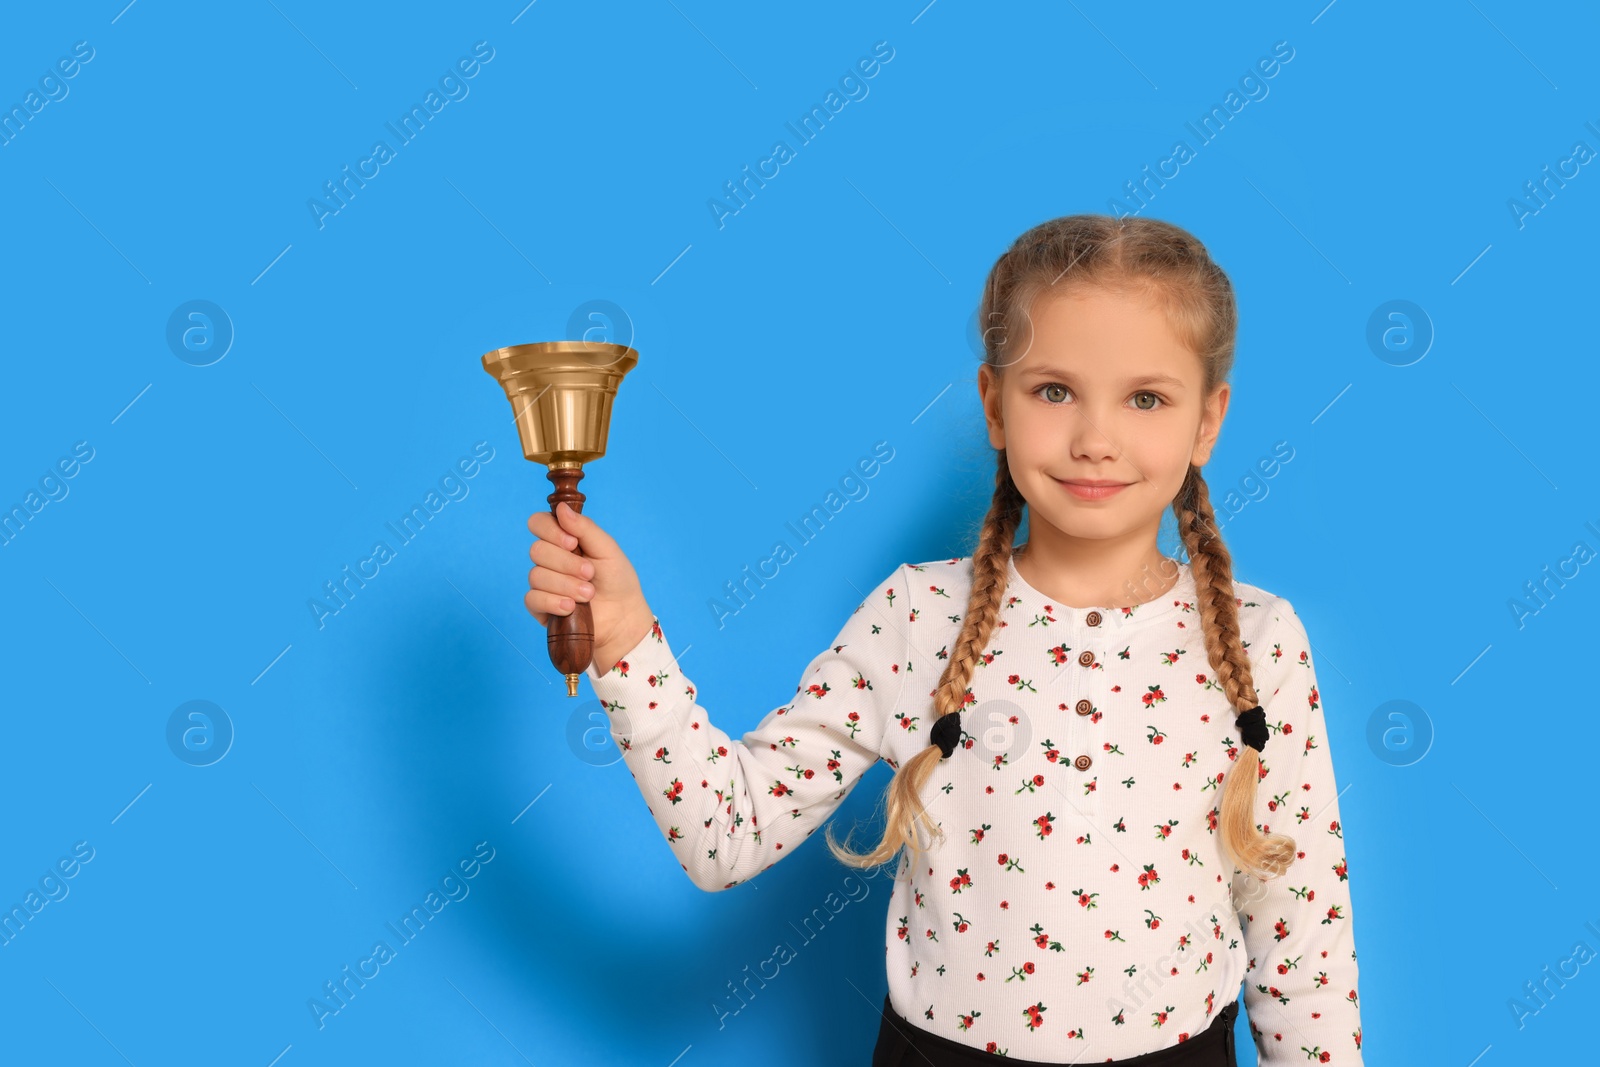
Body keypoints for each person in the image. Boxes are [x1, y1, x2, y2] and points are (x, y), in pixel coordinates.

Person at [524, 214, 1364, 1065]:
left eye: (1145, 397)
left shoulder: (1259, 643)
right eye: (1053, 390)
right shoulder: (916, 617)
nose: (1096, 439)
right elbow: (725, 834)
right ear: (994, 403)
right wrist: (625, 641)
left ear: (1208, 419)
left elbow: (1305, 955)